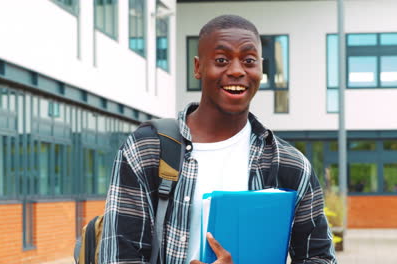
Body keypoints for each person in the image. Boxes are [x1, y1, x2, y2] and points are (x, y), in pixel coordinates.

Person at [99, 15, 337, 264]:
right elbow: (117, 257)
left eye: (249, 60)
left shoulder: (289, 164)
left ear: (261, 68)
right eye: (221, 60)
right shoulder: (147, 149)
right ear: (198, 67)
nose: (236, 71)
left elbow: (320, 258)